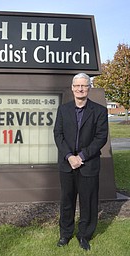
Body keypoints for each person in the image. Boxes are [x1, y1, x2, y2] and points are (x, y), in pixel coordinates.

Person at [53, 73, 108, 251]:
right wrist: (69, 156)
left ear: (89, 88)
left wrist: (81, 157)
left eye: (84, 86)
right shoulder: (63, 110)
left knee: (88, 202)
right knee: (67, 201)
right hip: (67, 164)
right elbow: (58, 135)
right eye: (77, 86)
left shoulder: (99, 111)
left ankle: (84, 235)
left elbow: (101, 138)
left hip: (88, 164)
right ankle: (65, 234)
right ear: (72, 88)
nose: (80, 89)